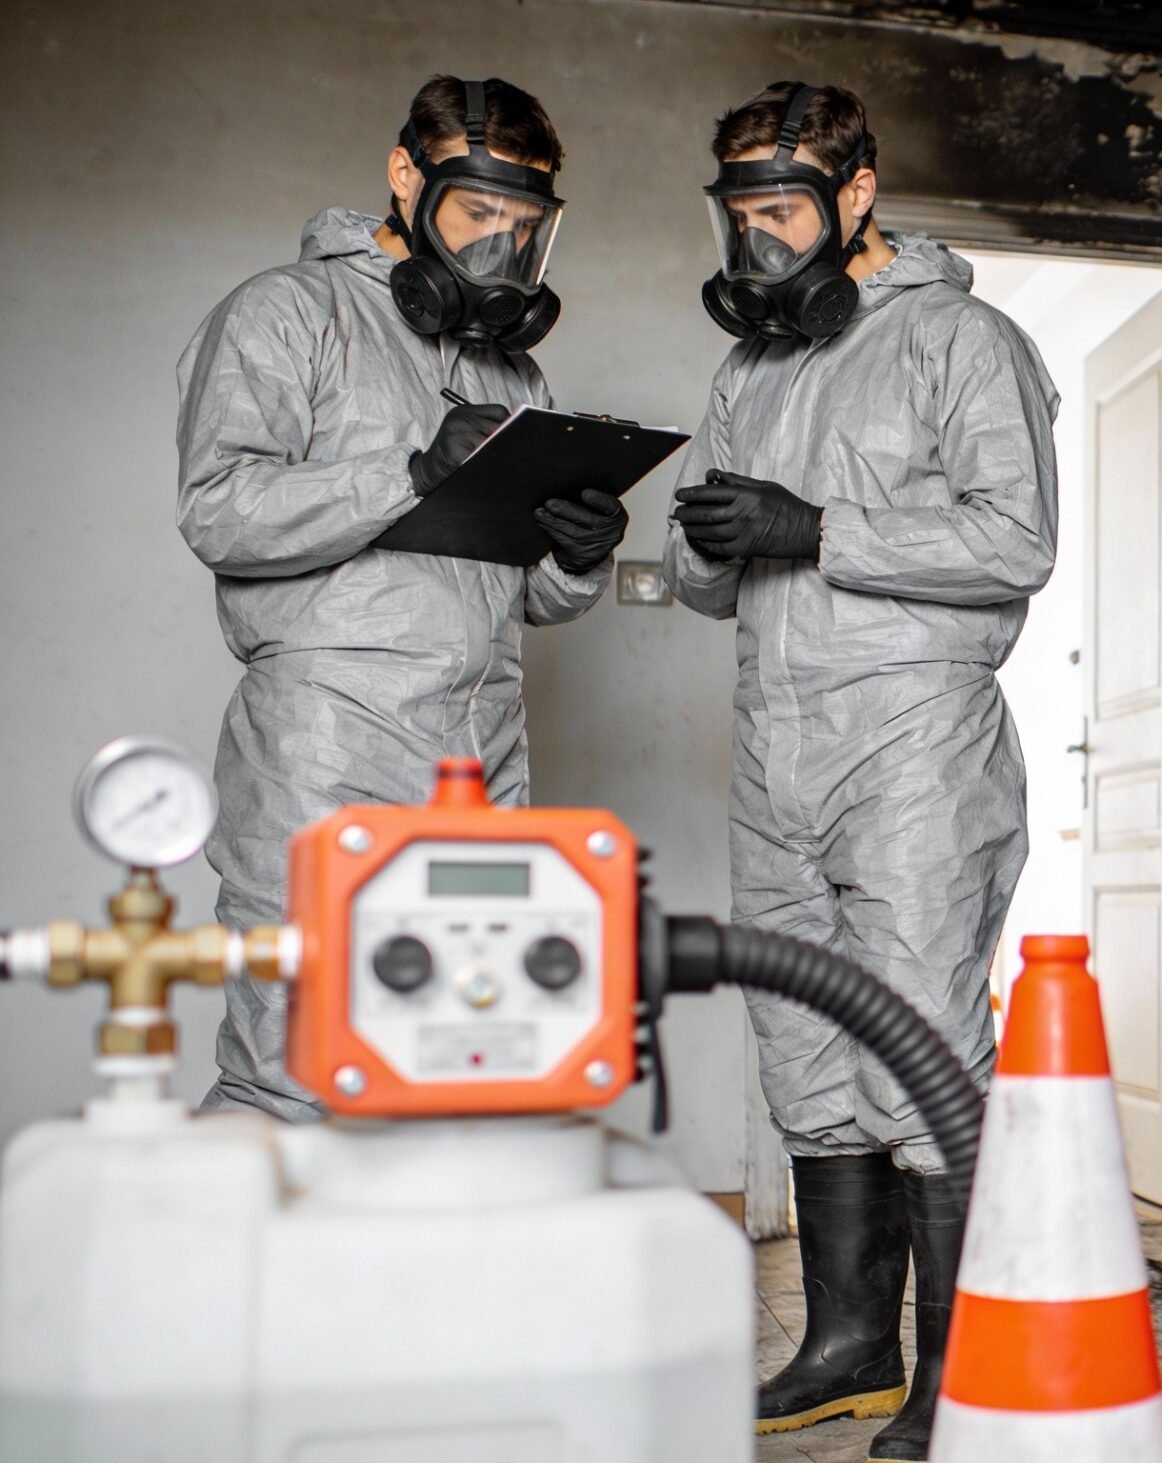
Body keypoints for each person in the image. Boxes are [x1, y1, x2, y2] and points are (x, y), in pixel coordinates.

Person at [663, 81, 1058, 1455]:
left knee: (919, 1043)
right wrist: (707, 542)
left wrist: (817, 521)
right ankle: (844, 1344)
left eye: (781, 208)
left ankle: (958, 1368)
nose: (758, 239)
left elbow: (1017, 541)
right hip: (775, 735)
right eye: (741, 214)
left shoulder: (962, 339)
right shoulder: (747, 373)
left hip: (911, 741)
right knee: (802, 1047)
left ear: (859, 194)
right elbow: (716, 587)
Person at [177, 75, 627, 1122]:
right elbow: (220, 513)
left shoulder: (513, 372)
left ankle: (413, 1289)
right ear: (404, 177)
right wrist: (411, 471)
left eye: (524, 225)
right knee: (298, 1061)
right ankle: (249, 1285)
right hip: (325, 751)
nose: (497, 249)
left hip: (484, 752)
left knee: (465, 1060)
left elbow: (527, 599)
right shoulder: (286, 313)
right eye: (478, 214)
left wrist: (577, 553)